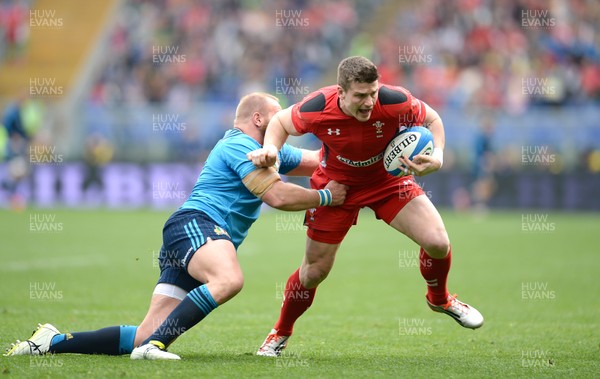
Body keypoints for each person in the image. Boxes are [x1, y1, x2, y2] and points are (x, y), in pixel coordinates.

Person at [4, 92, 347, 360]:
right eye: (278, 116)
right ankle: (155, 345)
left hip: (187, 236)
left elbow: (322, 161)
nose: (284, 123)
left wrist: (366, 155)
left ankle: (51, 342)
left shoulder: (268, 151)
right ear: (258, 119)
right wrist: (327, 198)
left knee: (139, 334)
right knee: (228, 280)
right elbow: (277, 196)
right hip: (198, 225)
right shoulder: (239, 145)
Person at [248, 56, 484, 357]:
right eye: (360, 95)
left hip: (386, 181)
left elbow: (433, 119)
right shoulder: (318, 106)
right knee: (313, 272)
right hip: (337, 188)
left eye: (373, 92)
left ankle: (440, 299)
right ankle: (280, 332)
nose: (369, 102)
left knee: (438, 242)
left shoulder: (394, 100)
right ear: (341, 92)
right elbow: (281, 122)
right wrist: (270, 148)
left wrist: (437, 155)